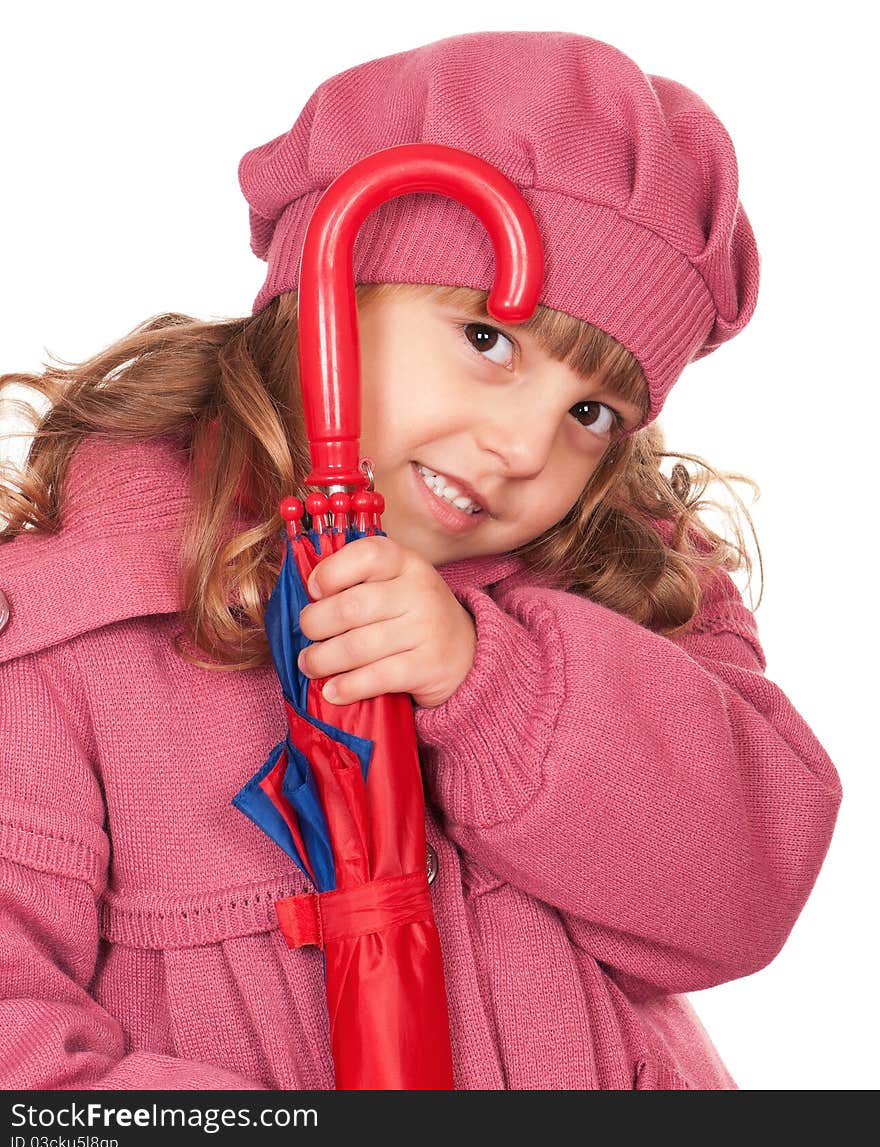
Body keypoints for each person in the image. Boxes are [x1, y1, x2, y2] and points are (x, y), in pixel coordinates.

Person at [0, 30, 841, 1090]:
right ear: (326, 298)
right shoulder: (80, 624)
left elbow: (743, 892)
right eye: (488, 340)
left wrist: (492, 685)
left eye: (590, 411)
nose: (525, 450)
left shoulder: (629, 586)